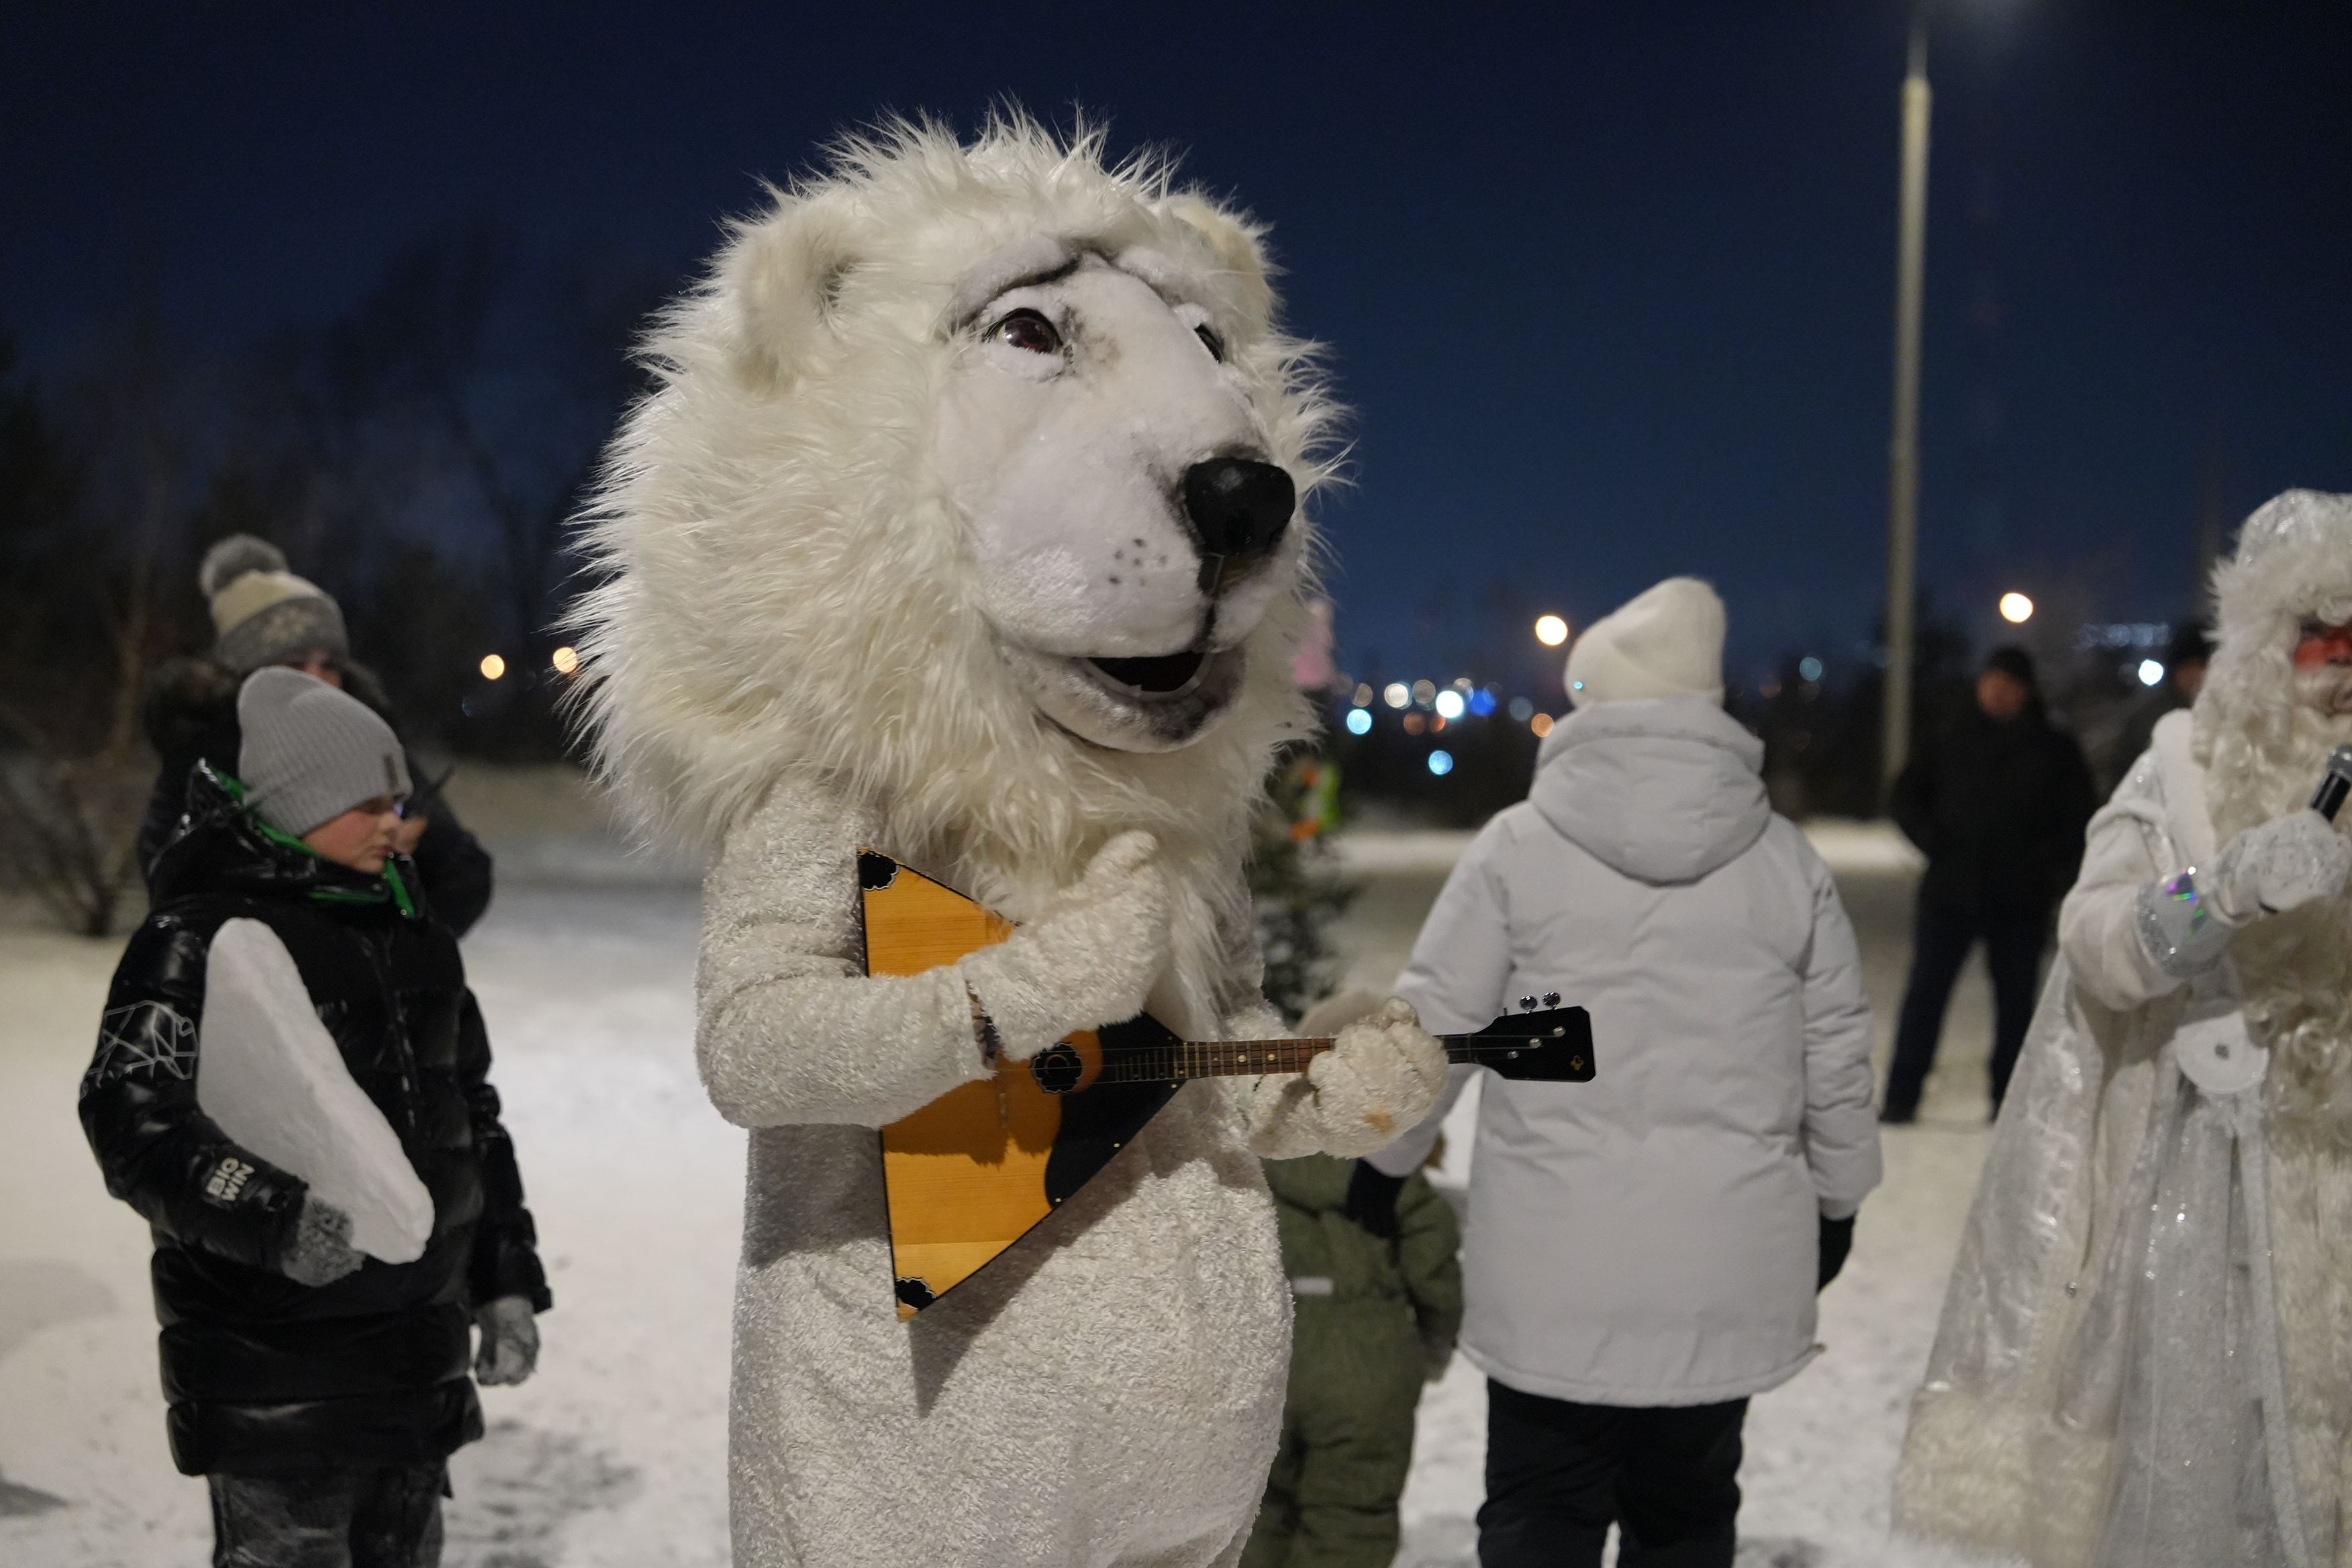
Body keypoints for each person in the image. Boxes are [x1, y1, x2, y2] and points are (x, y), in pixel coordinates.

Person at [1371, 577, 1883, 1568]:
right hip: (1720, 1264)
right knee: (1686, 1517)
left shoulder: (1516, 851)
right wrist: (1839, 1197)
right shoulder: (1786, 864)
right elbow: (1836, 1052)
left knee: (1537, 1516)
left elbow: (1433, 1023)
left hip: (1554, 1268)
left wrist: (1379, 1162)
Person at [1893, 489, 2352, 1565]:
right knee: (2203, 1469)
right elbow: (2098, 940)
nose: (2339, 666)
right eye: (2317, 637)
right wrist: (2222, 892)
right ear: (2259, 644)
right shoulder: (2181, 768)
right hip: (2209, 1184)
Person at [82, 666, 550, 1567]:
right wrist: (270, 1212)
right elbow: (131, 1116)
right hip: (273, 1363)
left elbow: (472, 1122)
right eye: (369, 801)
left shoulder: (415, 939)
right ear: (295, 803)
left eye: (399, 799)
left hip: (416, 1360)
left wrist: (503, 1279)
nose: (396, 821)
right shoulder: (194, 941)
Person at [141, 534, 495, 934]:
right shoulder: (205, 759)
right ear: (242, 676)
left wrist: (398, 913)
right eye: (292, 664)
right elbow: (172, 889)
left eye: (330, 664)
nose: (318, 680)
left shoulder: (370, 743)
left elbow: (463, 876)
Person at [1244, 1034, 1463, 1568]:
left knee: (1257, 1513)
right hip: (1369, 1361)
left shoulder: (1255, 1170)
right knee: (1351, 1517)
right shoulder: (1395, 1179)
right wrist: (1436, 1341)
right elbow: (1433, 1265)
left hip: (1268, 1357)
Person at [1881, 645, 2096, 1122]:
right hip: (1950, 892)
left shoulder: (2052, 746)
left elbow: (2080, 818)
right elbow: (1906, 795)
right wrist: (1932, 840)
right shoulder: (1950, 734)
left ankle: (2009, 1104)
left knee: (2017, 1006)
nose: (1999, 692)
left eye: (2010, 684)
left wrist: (2051, 870)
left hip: (2019, 899)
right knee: (1926, 996)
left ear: (2025, 691)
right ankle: (1901, 1096)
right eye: (1993, 681)